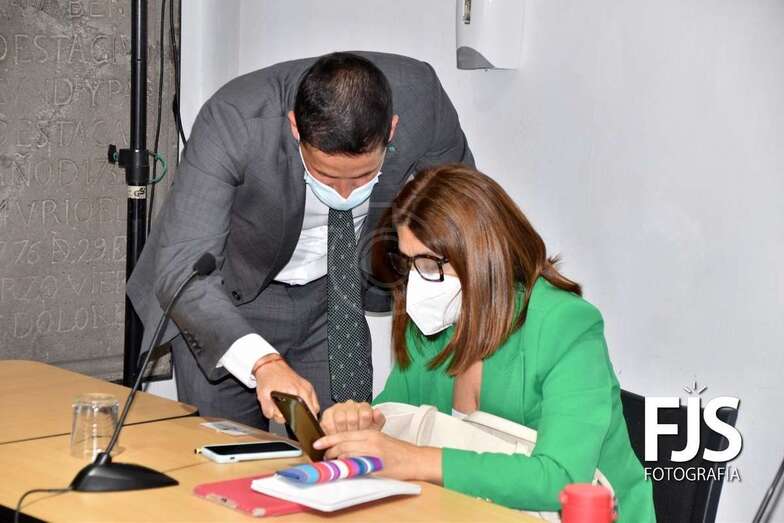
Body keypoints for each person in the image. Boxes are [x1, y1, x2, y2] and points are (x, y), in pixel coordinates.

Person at [126, 52, 474, 429]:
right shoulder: (236, 118)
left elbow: (467, 214)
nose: (344, 193)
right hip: (228, 298)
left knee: (342, 447)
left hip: (336, 298)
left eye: (362, 176)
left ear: (391, 130)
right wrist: (263, 362)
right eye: (326, 176)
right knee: (226, 457)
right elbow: (182, 268)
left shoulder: (422, 98)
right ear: (295, 128)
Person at [315, 164, 655, 520]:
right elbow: (398, 413)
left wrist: (417, 460)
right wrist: (361, 424)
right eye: (408, 262)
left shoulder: (566, 325)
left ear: (482, 257)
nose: (416, 282)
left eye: (430, 265)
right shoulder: (434, 317)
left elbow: (562, 479)